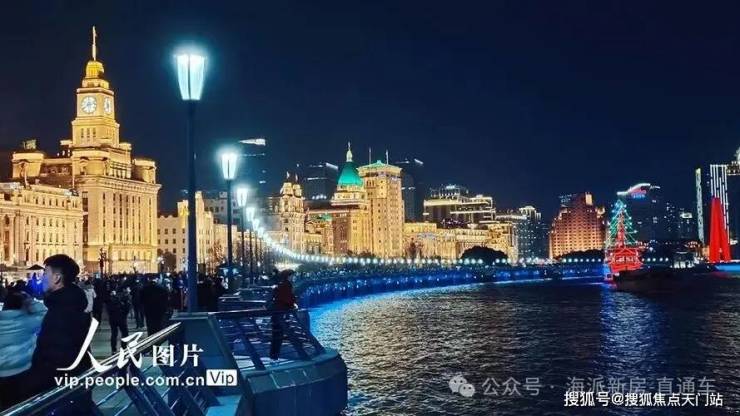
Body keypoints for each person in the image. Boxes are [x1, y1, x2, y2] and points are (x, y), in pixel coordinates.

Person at [23, 254, 92, 406]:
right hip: (74, 385)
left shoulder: (60, 313)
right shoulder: (71, 304)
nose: (41, 278)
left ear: (57, 278)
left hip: (60, 393)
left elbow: (54, 358)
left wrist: (30, 388)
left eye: (45, 272)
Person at [0, 291, 47, 410]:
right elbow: (44, 313)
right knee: (19, 404)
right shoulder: (27, 322)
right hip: (21, 369)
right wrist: (30, 301)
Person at [269, 270, 297, 360]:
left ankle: (273, 356)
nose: (293, 277)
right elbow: (288, 299)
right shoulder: (287, 285)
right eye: (292, 276)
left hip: (276, 311)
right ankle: (274, 356)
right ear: (288, 276)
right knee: (279, 334)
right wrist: (294, 303)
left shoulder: (280, 284)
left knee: (275, 334)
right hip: (280, 312)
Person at [106, 282, 130, 354]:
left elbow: (108, 308)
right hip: (121, 317)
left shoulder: (111, 297)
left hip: (113, 318)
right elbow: (127, 308)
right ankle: (123, 347)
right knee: (125, 333)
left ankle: (113, 349)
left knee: (114, 333)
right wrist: (125, 314)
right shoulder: (124, 297)